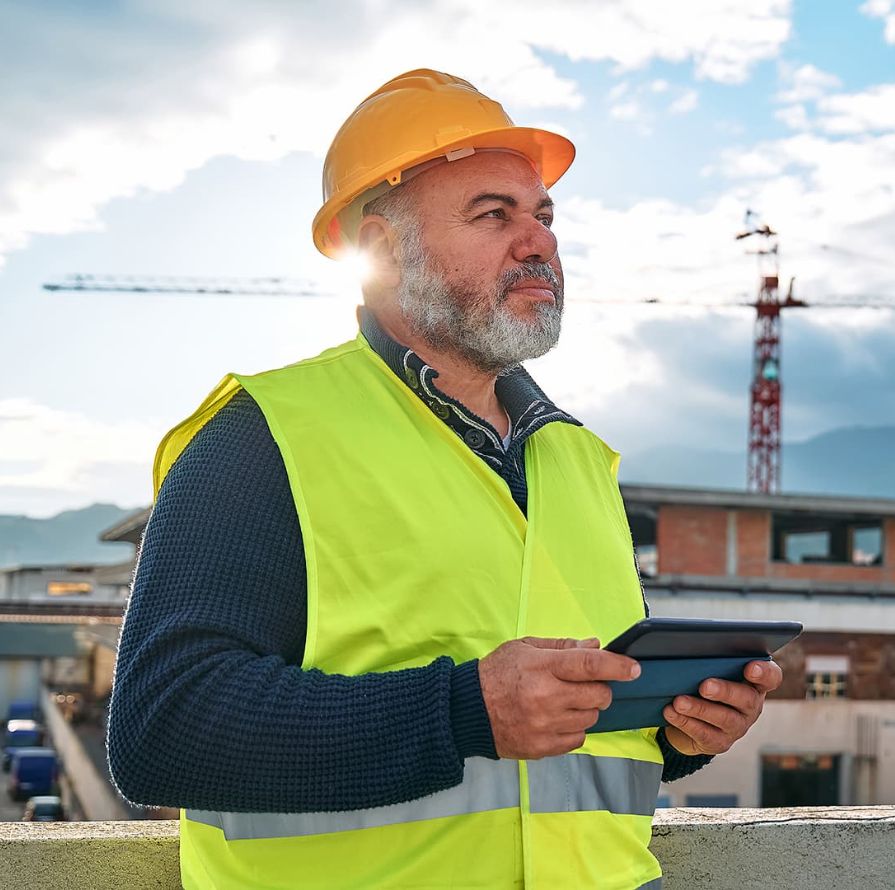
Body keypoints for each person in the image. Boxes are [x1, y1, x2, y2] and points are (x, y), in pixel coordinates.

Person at [108, 69, 783, 889]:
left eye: (542, 216)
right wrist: (465, 710)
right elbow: (163, 732)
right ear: (387, 253)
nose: (537, 242)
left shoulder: (577, 460)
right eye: (492, 215)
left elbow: (572, 746)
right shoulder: (263, 436)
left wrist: (680, 731)